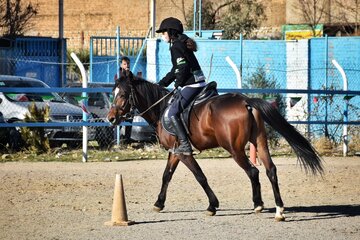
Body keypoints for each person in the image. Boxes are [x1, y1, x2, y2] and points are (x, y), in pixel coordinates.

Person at [156, 17, 206, 155]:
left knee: (172, 112)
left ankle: (185, 144)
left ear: (171, 32)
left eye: (163, 32)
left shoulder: (176, 46)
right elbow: (176, 69)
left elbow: (182, 68)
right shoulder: (181, 43)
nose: (162, 35)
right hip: (199, 82)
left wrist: (177, 85)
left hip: (192, 85)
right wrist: (162, 83)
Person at [113, 56, 133, 144]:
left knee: (129, 120)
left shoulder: (130, 74)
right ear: (121, 65)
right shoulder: (120, 74)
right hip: (121, 100)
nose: (127, 65)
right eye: (125, 64)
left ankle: (127, 139)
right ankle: (115, 139)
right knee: (118, 119)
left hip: (128, 102)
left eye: (128, 63)